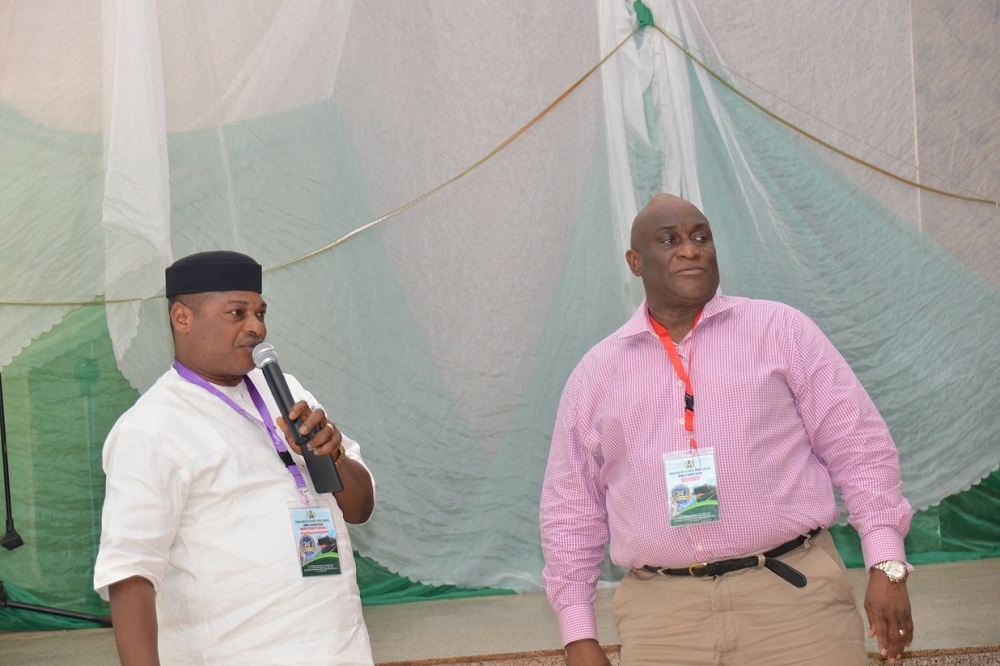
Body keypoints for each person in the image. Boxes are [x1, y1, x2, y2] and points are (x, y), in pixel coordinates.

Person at [539, 194, 913, 666]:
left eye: (701, 237)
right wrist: (577, 633)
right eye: (669, 240)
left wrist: (887, 563)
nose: (691, 250)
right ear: (635, 262)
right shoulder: (597, 374)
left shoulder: (781, 331)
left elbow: (859, 447)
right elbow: (570, 510)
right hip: (664, 621)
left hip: (794, 600)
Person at [94, 250, 376, 665]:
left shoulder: (287, 390)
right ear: (182, 318)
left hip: (341, 651)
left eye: (261, 313)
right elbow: (130, 574)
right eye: (237, 313)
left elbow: (360, 507)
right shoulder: (151, 427)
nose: (256, 328)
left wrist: (331, 455)